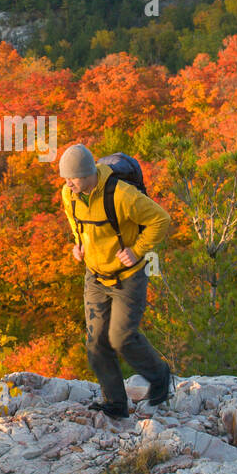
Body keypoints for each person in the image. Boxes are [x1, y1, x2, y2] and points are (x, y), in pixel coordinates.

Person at [59, 143, 174, 418]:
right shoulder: (69, 194)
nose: (68, 184)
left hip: (128, 278)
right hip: (95, 277)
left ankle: (159, 376)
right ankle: (115, 403)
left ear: (88, 173)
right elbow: (75, 221)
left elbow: (161, 219)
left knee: (121, 338)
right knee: (96, 343)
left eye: (72, 178)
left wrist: (136, 251)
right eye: (65, 178)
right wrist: (79, 244)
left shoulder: (122, 195)